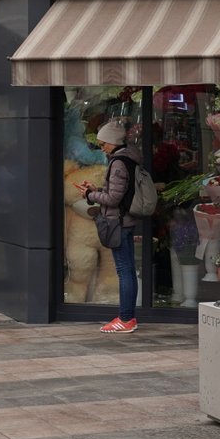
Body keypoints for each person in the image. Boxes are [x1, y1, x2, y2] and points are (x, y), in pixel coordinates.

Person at [77, 120, 142, 334]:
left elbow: (113, 199)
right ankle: (128, 317)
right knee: (128, 270)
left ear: (113, 142)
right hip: (126, 220)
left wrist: (90, 195)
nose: (102, 147)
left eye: (103, 143)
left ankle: (125, 319)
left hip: (118, 222)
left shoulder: (118, 163)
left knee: (124, 271)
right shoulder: (128, 159)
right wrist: (96, 190)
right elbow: (117, 193)